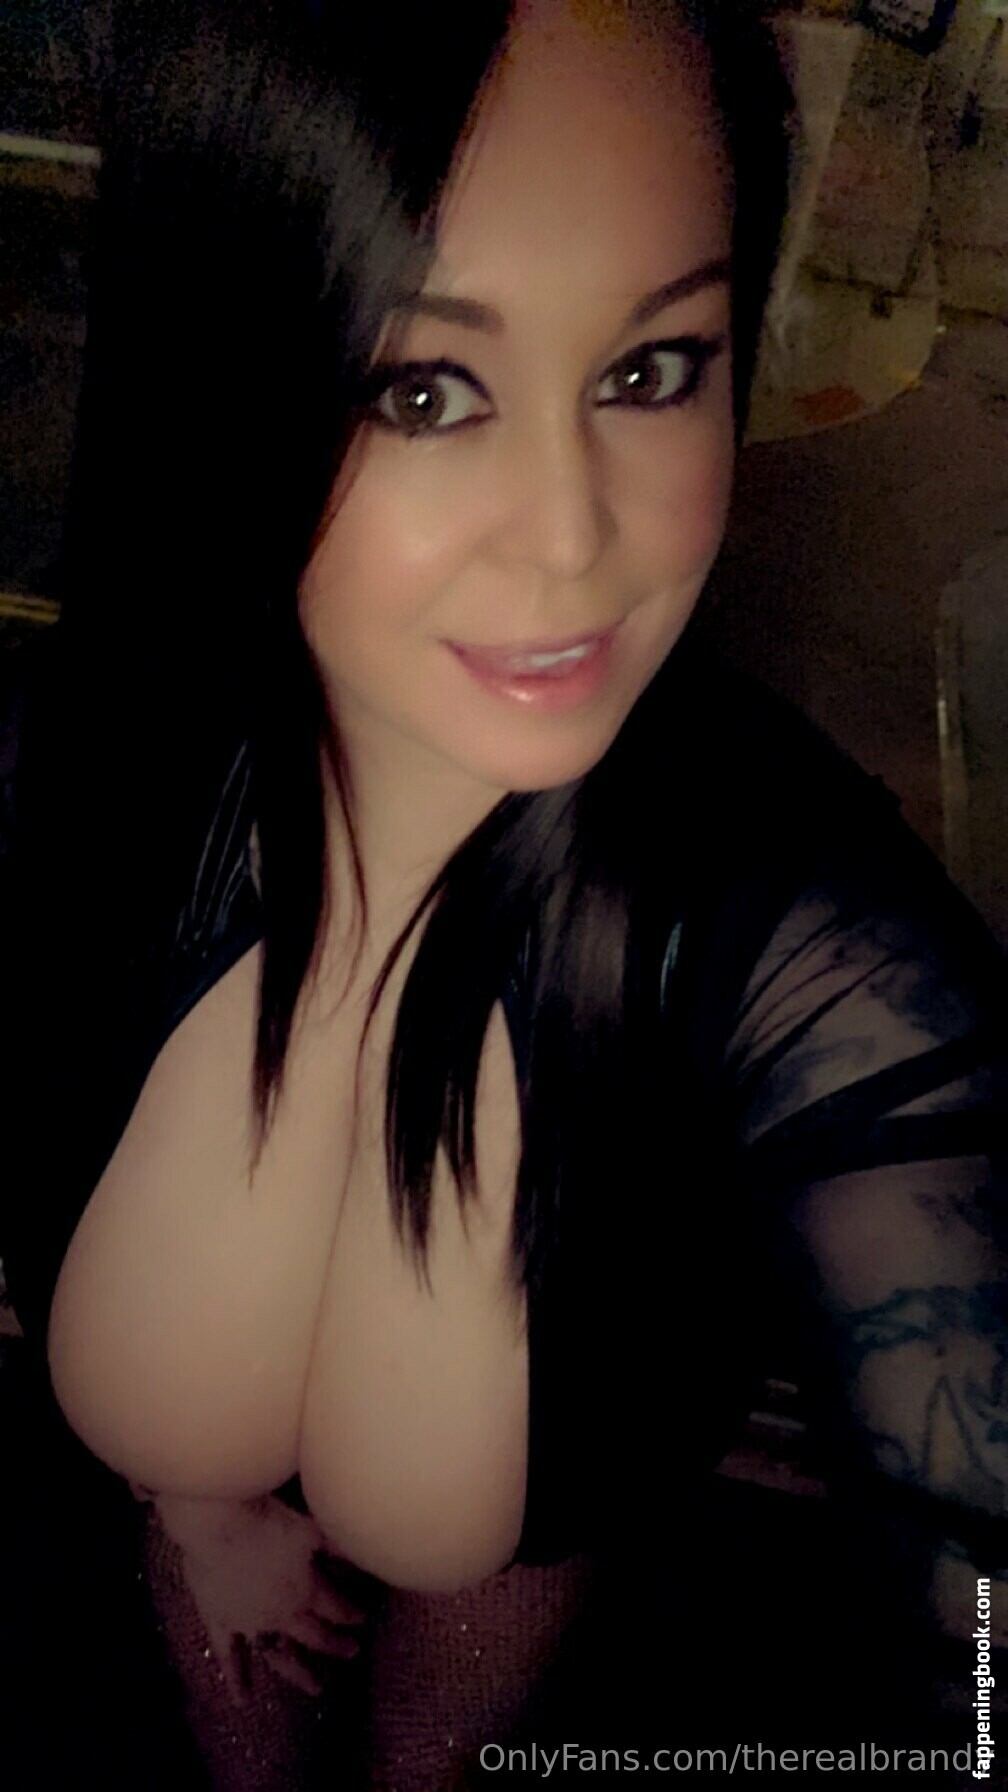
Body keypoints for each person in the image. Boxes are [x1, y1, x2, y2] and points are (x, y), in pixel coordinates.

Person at [1, 0, 1006, 1786]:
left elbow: (981, 1623)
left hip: (530, 1542)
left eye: (650, 371)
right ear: (234, 376)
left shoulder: (803, 951)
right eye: (423, 389)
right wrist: (192, 1505)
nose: (570, 537)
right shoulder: (96, 749)